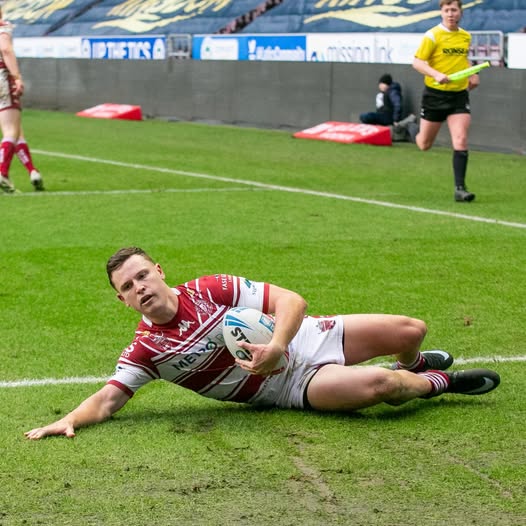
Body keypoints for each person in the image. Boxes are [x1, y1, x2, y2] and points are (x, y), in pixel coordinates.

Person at [25, 247, 500, 440]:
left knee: (411, 330)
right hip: (291, 385)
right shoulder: (148, 351)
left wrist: (277, 344)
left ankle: (414, 363)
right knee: (381, 385)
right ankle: (440, 382)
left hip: (307, 337)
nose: (140, 287)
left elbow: (292, 301)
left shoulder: (211, 289)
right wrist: (69, 419)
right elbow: (108, 399)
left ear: (159, 271)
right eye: (128, 287)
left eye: (143, 275)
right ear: (123, 300)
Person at [412, 0, 478, 202]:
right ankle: (411, 130)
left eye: (454, 10)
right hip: (435, 95)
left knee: (461, 139)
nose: (451, 14)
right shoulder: (432, 35)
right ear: (441, 12)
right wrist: (436, 74)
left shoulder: (465, 36)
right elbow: (417, 62)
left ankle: (460, 188)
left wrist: (472, 73)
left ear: (460, 12)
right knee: (424, 144)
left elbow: (463, 59)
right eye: (447, 10)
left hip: (458, 95)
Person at [0, 5, 44, 194]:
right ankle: (2, 172)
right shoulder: (3, 27)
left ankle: (31, 171)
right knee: (11, 129)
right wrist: (17, 76)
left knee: (15, 130)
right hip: (2, 78)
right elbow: (6, 49)